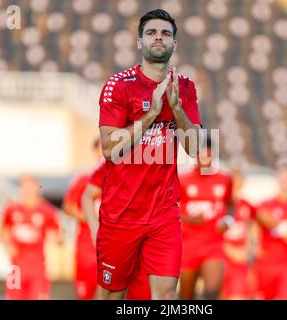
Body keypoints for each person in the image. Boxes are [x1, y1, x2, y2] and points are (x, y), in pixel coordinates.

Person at [97, 8, 202, 300]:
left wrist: (176, 108)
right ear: (139, 42)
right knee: (111, 294)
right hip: (121, 213)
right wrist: (152, 113)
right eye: (152, 33)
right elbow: (109, 148)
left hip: (164, 214)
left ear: (174, 44)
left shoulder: (185, 88)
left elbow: (194, 148)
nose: (159, 38)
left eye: (166, 33)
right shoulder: (119, 86)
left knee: (167, 296)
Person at [179, 138, 233, 299]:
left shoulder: (224, 178)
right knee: (186, 296)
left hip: (213, 244)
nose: (205, 161)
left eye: (208, 157)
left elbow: (231, 204)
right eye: (202, 156)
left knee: (211, 294)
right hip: (188, 245)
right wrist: (189, 219)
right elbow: (168, 210)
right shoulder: (182, 179)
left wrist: (228, 221)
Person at [2, 175, 61, 300]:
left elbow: (57, 234)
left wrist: (53, 240)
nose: (27, 191)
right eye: (24, 187)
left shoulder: (47, 211)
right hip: (16, 267)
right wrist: (8, 245)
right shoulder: (12, 209)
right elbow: (5, 229)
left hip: (37, 268)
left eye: (30, 187)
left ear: (37, 188)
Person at [254, 165, 287, 300]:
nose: (285, 182)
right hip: (267, 263)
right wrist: (283, 229)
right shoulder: (267, 204)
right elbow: (261, 218)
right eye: (283, 178)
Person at [63, 138, 105, 300]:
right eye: (102, 148)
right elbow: (68, 207)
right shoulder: (84, 179)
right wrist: (91, 219)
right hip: (87, 249)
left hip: (112, 250)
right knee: (85, 295)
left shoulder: (122, 178)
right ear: (95, 151)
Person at [221, 170, 258, 299]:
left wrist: (250, 250)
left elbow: (253, 226)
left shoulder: (246, 205)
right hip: (223, 259)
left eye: (239, 184)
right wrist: (228, 249)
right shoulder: (221, 204)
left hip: (240, 263)